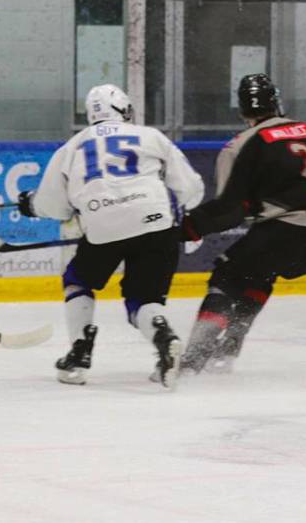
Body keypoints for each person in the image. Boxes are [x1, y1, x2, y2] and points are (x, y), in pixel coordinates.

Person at [18, 84, 204, 388]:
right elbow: (190, 189)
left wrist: (31, 204)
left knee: (78, 279)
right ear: (125, 110)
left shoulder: (72, 148)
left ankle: (79, 353)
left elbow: (55, 206)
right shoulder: (151, 137)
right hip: (157, 222)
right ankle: (164, 335)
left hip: (104, 227)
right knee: (145, 298)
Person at [178, 73, 306, 373]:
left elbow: (229, 210)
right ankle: (229, 347)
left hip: (290, 229)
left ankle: (195, 357)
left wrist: (187, 227)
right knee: (259, 272)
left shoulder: (241, 145)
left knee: (228, 275)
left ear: (243, 110)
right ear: (278, 102)